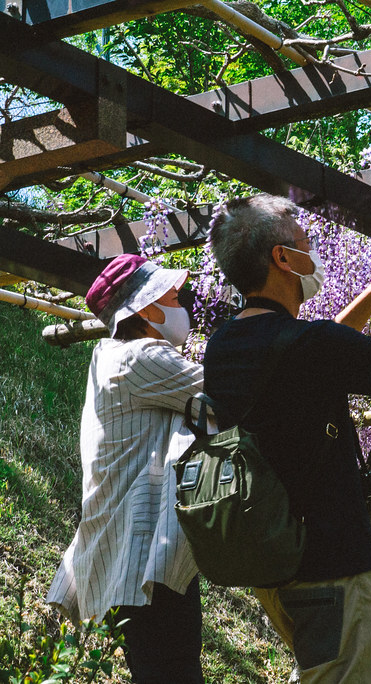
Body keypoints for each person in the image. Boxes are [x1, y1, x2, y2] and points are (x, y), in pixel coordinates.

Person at [203, 194, 371, 684]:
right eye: (305, 241)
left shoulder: (224, 345)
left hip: (276, 568)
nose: (313, 249)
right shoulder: (309, 345)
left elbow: (318, 357)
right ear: (283, 259)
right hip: (332, 572)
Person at [47, 254, 205, 684]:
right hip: (142, 559)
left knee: (161, 669)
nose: (182, 304)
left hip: (125, 557)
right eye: (173, 296)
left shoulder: (108, 356)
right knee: (174, 670)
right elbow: (230, 398)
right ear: (148, 308)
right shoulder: (140, 358)